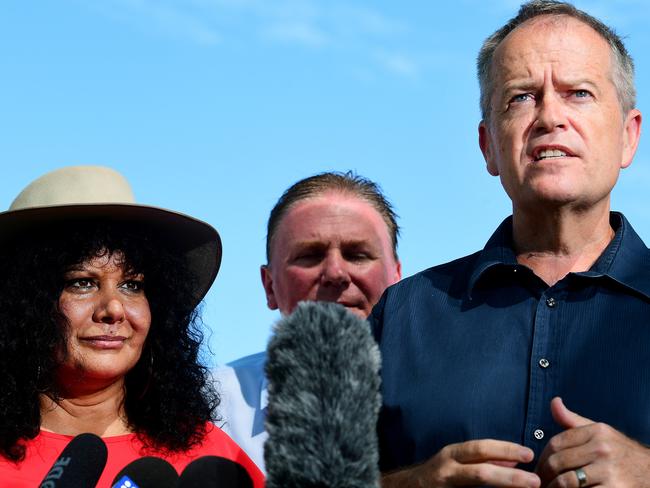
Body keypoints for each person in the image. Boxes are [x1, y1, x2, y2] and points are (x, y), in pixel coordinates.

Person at [371, 1, 648, 487]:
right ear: (488, 147)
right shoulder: (401, 317)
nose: (550, 116)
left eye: (578, 93)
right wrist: (412, 483)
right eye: (521, 97)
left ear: (629, 136)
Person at [0, 166, 264, 487]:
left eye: (132, 286)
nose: (113, 309)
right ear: (20, 305)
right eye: (82, 283)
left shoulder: (214, 460)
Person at [214, 171, 402, 472]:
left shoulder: (451, 392)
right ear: (270, 286)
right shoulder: (209, 406)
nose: (336, 273)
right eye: (310, 256)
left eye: (357, 254)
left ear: (397, 277)